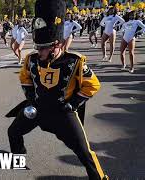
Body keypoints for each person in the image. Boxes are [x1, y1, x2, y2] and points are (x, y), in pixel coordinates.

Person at [6, 1, 109, 179]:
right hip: (37, 109)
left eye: (43, 47)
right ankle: (18, 157)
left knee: (85, 153)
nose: (39, 51)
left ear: (57, 45)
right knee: (13, 131)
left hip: (63, 113)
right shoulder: (31, 59)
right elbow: (25, 78)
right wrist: (31, 98)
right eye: (37, 47)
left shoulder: (74, 61)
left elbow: (93, 84)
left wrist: (73, 104)